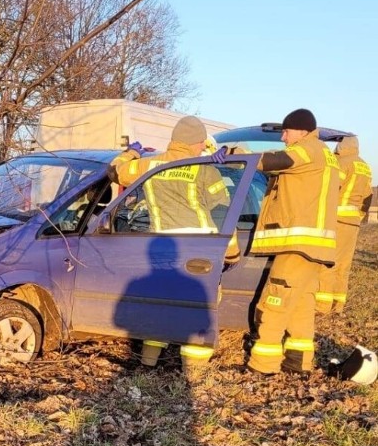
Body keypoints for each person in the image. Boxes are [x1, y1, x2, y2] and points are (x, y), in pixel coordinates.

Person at [110, 115, 232, 377]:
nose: (202, 148)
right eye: (201, 144)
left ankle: (148, 363)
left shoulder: (150, 164)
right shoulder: (204, 168)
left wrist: (132, 152)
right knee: (199, 307)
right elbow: (222, 208)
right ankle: (193, 372)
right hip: (201, 245)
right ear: (195, 143)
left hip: (163, 244)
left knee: (163, 304)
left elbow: (114, 170)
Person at [247, 108, 339, 375]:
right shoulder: (324, 155)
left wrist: (236, 155)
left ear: (301, 130)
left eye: (286, 132)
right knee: (300, 308)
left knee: (272, 305)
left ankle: (263, 366)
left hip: (298, 244)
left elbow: (276, 161)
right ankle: (298, 363)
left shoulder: (307, 149)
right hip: (314, 246)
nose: (284, 138)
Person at [315, 135, 372, 316]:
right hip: (352, 221)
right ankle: (338, 304)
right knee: (343, 265)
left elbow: (330, 186)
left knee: (328, 262)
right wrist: (360, 216)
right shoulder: (364, 166)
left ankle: (322, 305)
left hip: (336, 218)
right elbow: (367, 196)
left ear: (341, 146)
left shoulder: (341, 162)